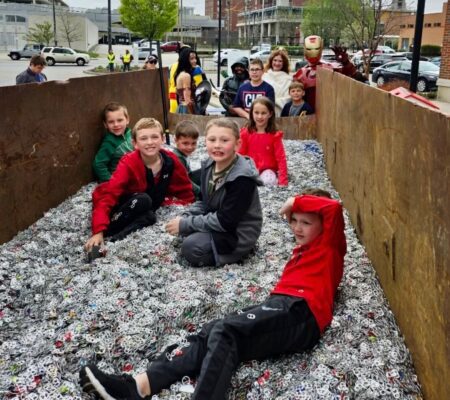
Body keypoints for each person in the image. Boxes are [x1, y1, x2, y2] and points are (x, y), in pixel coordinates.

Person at [79, 189, 347, 400]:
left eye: (307, 222)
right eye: (295, 221)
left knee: (227, 332)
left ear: (325, 226)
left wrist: (294, 200)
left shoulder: (330, 248)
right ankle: (138, 386)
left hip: (302, 313)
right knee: (211, 331)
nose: (297, 228)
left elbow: (333, 208)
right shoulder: (303, 249)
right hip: (282, 307)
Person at [84, 118, 195, 251]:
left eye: (154, 137)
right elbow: (110, 195)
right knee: (143, 200)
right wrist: (98, 231)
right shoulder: (129, 162)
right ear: (135, 143)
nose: (150, 142)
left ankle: (118, 237)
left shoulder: (169, 160)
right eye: (143, 138)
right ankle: (108, 230)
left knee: (150, 216)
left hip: (148, 206)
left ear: (162, 139)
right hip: (123, 203)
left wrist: (188, 205)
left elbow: (184, 187)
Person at [165, 118, 263, 267]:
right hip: (219, 219)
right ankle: (203, 237)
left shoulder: (242, 179)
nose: (217, 145)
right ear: (206, 142)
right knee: (183, 229)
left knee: (191, 248)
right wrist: (186, 216)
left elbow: (226, 221)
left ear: (237, 144)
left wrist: (186, 224)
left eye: (224, 140)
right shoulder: (209, 165)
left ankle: (240, 252)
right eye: (212, 139)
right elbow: (204, 202)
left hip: (237, 232)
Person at [238, 96, 288, 186]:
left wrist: (283, 180)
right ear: (251, 113)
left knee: (268, 181)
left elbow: (281, 158)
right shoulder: (245, 133)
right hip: (250, 169)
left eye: (263, 113)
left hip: (267, 170)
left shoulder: (274, 135)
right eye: (256, 113)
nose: (259, 116)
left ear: (270, 114)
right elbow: (240, 155)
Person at [93, 102, 132, 183]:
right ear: (105, 124)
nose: (116, 124)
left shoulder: (130, 133)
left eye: (120, 120)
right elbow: (98, 164)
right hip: (121, 178)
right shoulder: (109, 142)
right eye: (111, 122)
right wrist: (111, 181)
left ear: (127, 120)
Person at [171, 120, 201, 199]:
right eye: (185, 143)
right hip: (179, 187)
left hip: (185, 180)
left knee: (204, 170)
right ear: (176, 141)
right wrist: (200, 191)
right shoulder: (178, 158)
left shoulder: (182, 153)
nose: (190, 147)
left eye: (193, 143)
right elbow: (184, 181)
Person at [262, 49, 292, 114]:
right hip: (263, 111)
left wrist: (273, 101)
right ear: (271, 61)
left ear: (284, 63)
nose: (277, 63)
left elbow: (288, 98)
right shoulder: (264, 76)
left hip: (279, 112)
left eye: (280, 61)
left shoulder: (288, 79)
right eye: (275, 60)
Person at [174, 49, 199, 114]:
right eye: (191, 59)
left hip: (182, 108)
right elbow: (187, 101)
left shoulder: (181, 73)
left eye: (195, 58)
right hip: (187, 110)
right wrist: (195, 114)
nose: (195, 61)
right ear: (185, 60)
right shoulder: (186, 76)